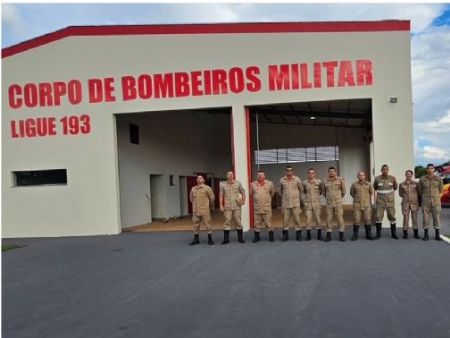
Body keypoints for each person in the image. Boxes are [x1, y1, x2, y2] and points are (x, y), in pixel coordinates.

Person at [418, 163, 444, 241]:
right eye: (428, 168)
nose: (430, 170)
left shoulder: (438, 179)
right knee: (426, 218)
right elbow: (420, 190)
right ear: (426, 170)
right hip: (426, 202)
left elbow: (440, 190)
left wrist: (436, 197)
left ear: (434, 169)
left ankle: (437, 235)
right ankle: (426, 235)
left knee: (437, 218)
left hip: (436, 202)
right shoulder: (422, 179)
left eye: (432, 168)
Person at [278, 166, 304, 241]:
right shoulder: (282, 180)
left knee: (297, 220)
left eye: (291, 171)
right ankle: (285, 236)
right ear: (285, 172)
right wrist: (285, 197)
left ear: (293, 172)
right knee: (285, 221)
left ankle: (298, 235)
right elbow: (280, 191)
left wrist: (296, 197)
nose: (289, 172)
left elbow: (301, 189)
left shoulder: (297, 179)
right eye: (287, 171)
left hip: (295, 203)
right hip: (286, 204)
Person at [219, 171, 246, 244]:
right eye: (229, 174)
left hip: (237, 206)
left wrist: (243, 200)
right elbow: (221, 195)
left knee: (238, 222)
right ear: (226, 176)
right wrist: (221, 205)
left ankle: (240, 238)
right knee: (227, 221)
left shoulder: (238, 183)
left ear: (233, 175)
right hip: (227, 206)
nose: (230, 175)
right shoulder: (223, 184)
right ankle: (226, 239)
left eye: (232, 174)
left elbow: (243, 192)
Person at [373, 164, 399, 239]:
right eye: (383, 169)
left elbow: (395, 187)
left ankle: (394, 234)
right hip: (380, 201)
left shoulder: (392, 178)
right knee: (378, 217)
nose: (385, 170)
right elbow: (375, 187)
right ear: (381, 170)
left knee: (392, 216)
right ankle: (378, 235)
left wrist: (395, 180)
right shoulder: (377, 178)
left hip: (390, 201)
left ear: (388, 170)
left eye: (386, 169)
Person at [188, 175, 215, 246]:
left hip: (204, 210)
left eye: (200, 178)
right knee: (195, 225)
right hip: (196, 210)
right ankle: (196, 240)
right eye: (197, 178)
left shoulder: (207, 188)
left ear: (203, 180)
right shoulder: (193, 189)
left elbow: (212, 198)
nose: (199, 179)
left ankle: (210, 240)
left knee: (208, 224)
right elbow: (191, 199)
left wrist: (208, 205)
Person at [321, 166, 346, 242]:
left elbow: (344, 191)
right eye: (330, 171)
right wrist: (329, 198)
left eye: (333, 171)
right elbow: (323, 192)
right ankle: (328, 235)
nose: (331, 173)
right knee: (329, 219)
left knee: (340, 219)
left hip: (338, 203)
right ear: (328, 172)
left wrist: (338, 198)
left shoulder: (340, 180)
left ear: (335, 172)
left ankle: (341, 235)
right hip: (329, 203)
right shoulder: (324, 181)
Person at [250, 170, 275, 242]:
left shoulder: (270, 183)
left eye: (261, 175)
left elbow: (272, 193)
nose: (260, 176)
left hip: (266, 207)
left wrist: (267, 200)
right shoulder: (252, 184)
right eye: (258, 175)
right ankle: (257, 237)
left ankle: (271, 236)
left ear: (264, 176)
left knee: (268, 222)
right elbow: (251, 194)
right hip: (257, 207)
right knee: (257, 223)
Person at [350, 171, 374, 240]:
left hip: (366, 204)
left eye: (362, 175)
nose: (361, 176)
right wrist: (357, 199)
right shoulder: (354, 184)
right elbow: (352, 193)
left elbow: (371, 193)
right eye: (360, 175)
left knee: (367, 219)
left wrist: (365, 199)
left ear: (364, 176)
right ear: (358, 177)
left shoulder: (368, 184)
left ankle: (368, 234)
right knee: (356, 219)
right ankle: (355, 235)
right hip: (357, 204)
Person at [302, 168, 324, 240]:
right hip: (308, 204)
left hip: (316, 203)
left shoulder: (319, 182)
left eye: (312, 173)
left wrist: (316, 197)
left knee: (318, 219)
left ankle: (319, 235)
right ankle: (308, 235)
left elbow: (321, 191)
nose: (311, 174)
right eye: (310, 173)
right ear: (308, 174)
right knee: (308, 220)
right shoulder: (305, 183)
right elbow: (304, 191)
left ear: (315, 174)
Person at [399, 169, 420, 239]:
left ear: (412, 175)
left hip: (414, 203)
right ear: (405, 175)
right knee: (405, 218)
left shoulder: (416, 184)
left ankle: (416, 234)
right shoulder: (402, 184)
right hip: (405, 204)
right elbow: (400, 194)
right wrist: (406, 198)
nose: (408, 175)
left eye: (410, 174)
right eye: (407, 174)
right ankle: (405, 234)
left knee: (414, 219)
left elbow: (419, 192)